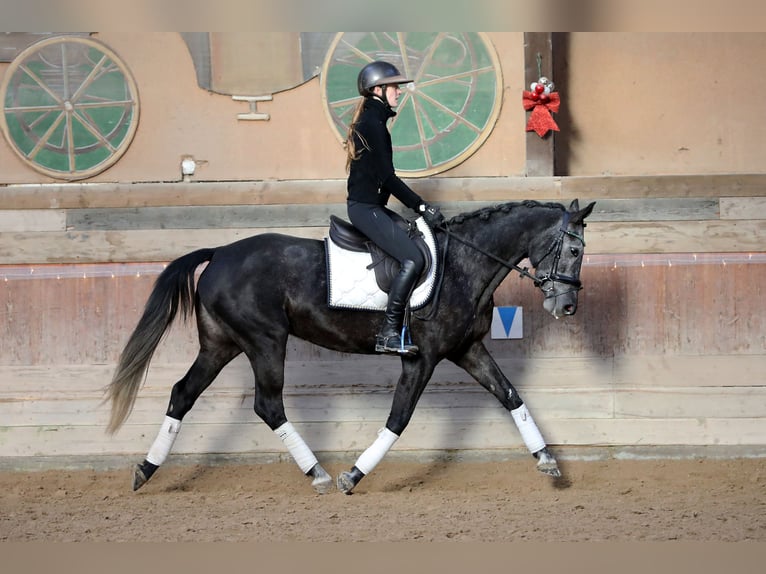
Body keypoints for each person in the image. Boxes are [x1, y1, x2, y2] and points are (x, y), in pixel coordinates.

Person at [345, 60, 445, 356]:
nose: (399, 92)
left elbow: (384, 180)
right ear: (378, 90)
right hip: (364, 209)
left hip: (370, 207)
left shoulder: (374, 122)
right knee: (413, 259)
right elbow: (387, 178)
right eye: (394, 87)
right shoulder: (372, 125)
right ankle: (389, 333)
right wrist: (422, 206)